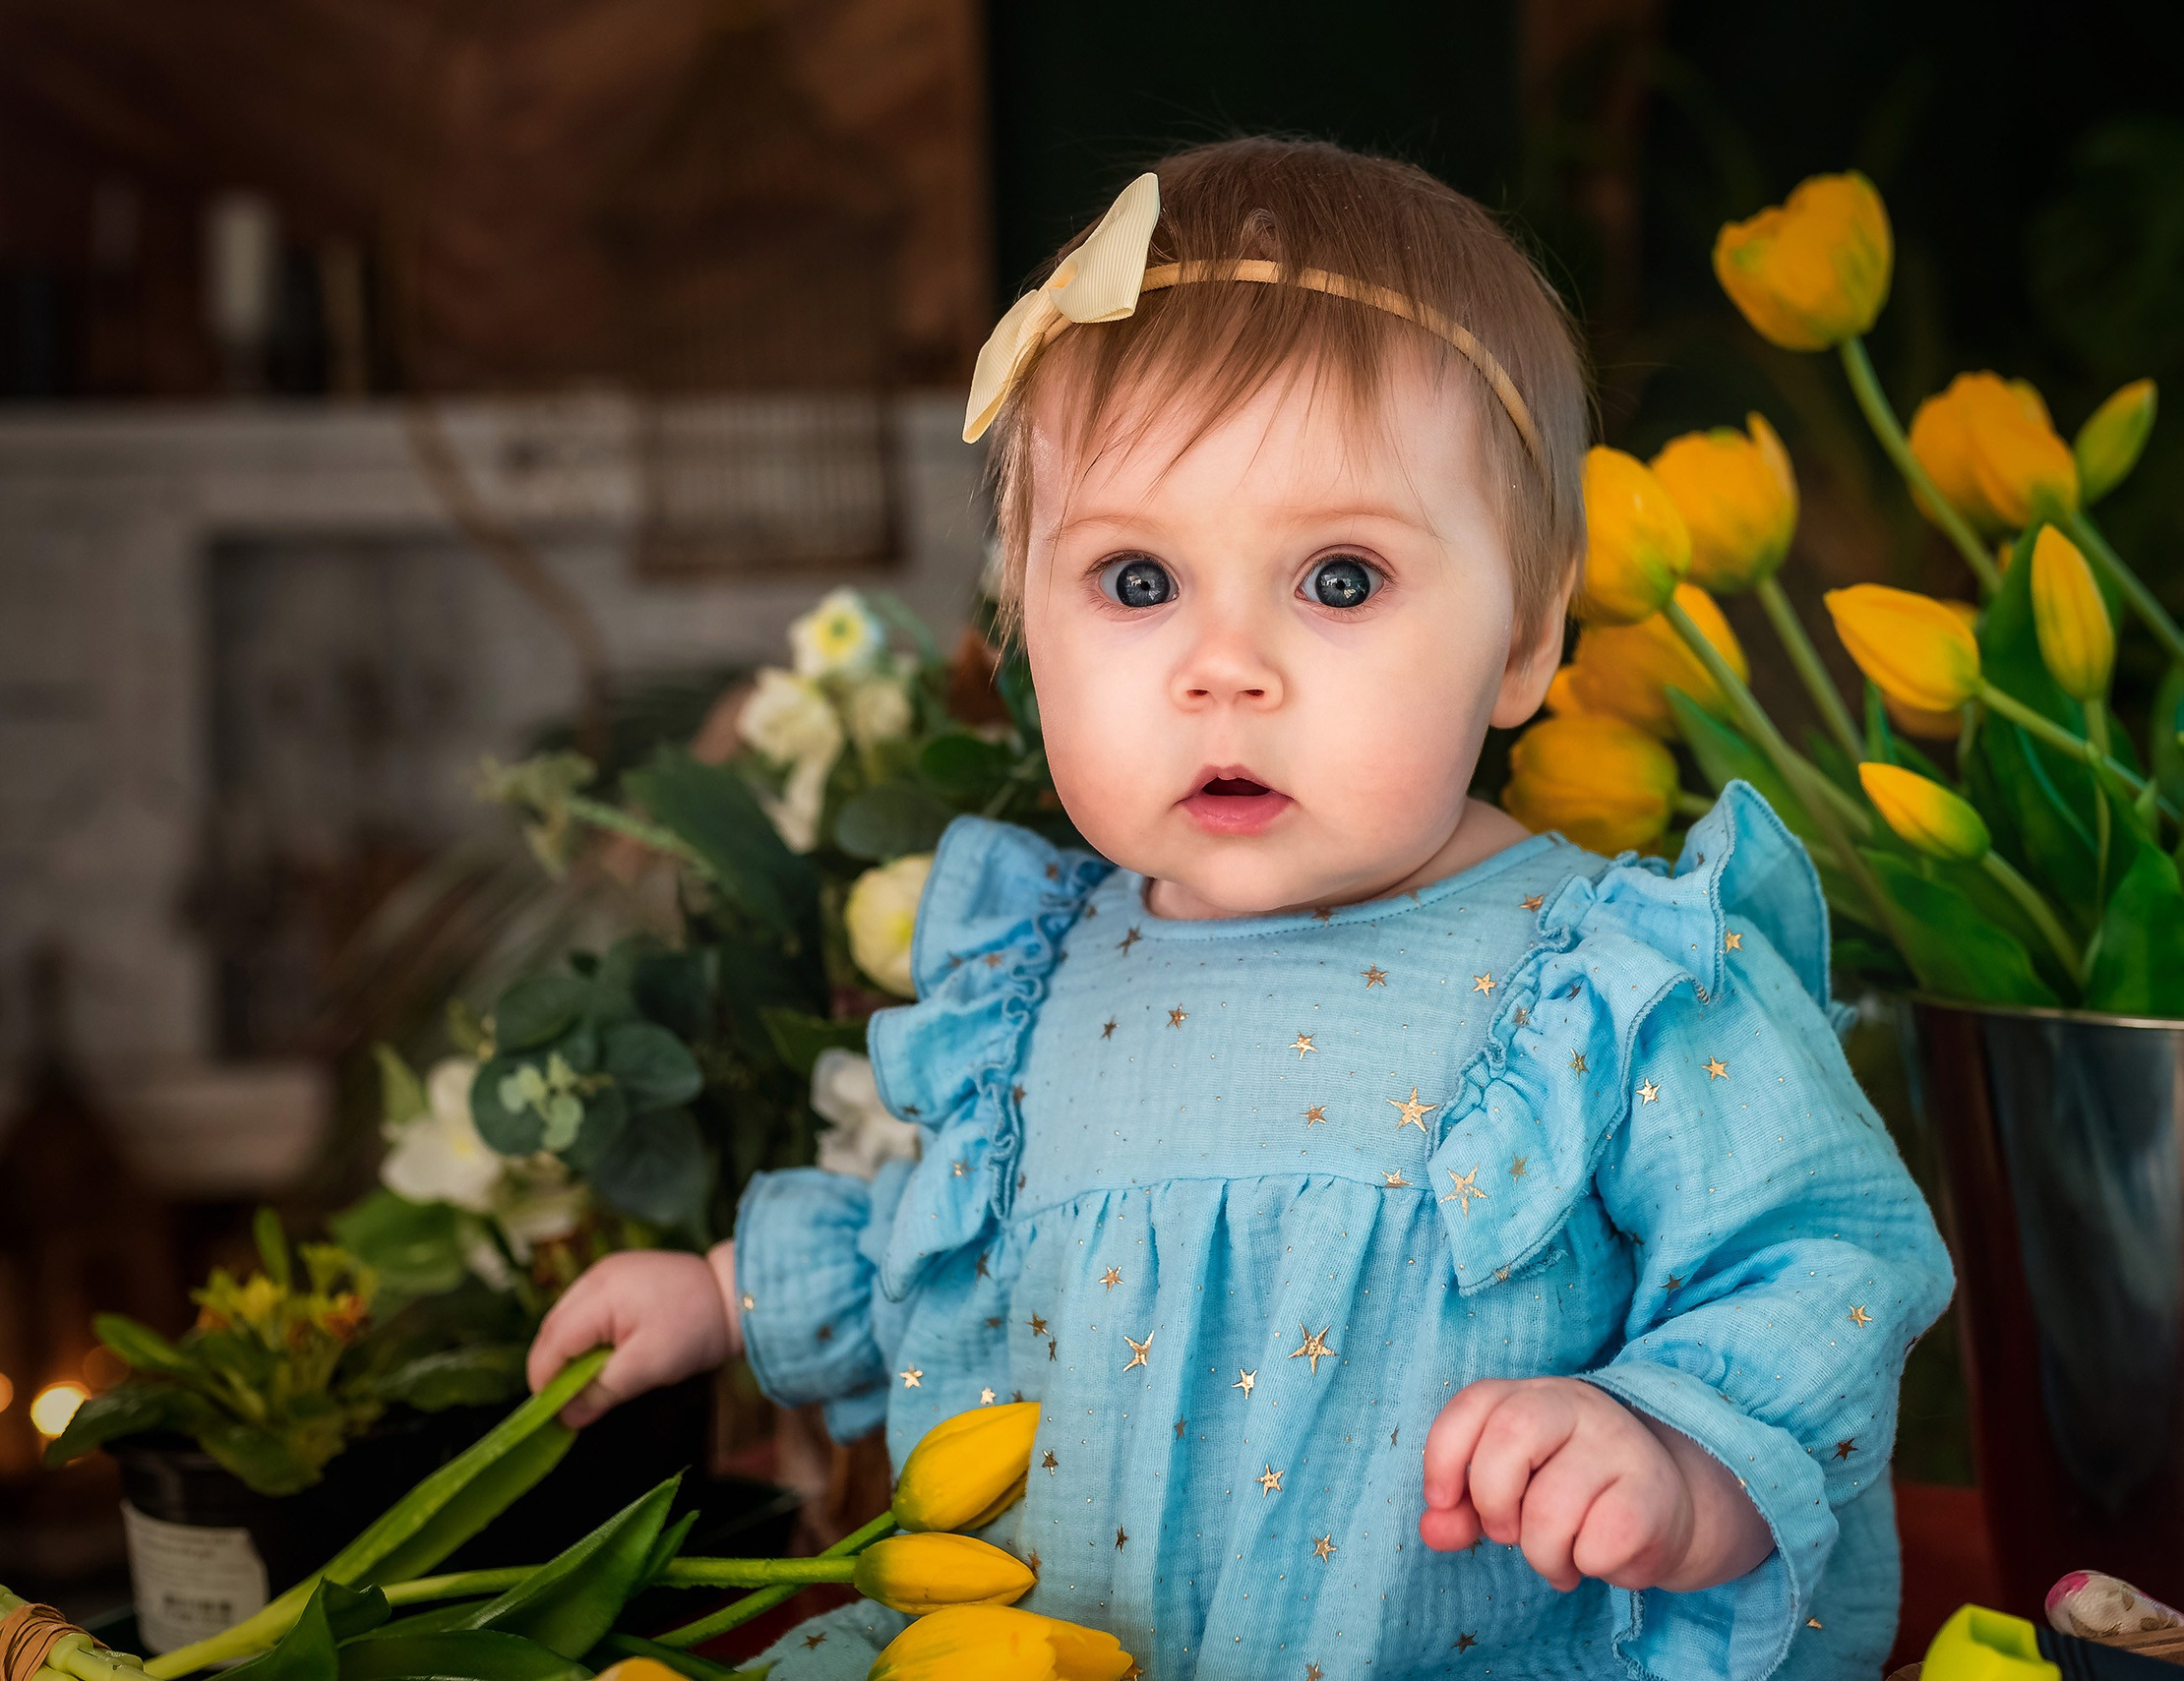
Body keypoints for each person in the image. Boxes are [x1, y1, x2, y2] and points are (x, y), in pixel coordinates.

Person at [525, 137, 1953, 1681]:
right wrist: (720, 1294)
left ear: (1525, 639)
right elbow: (939, 1245)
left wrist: (1671, 1453)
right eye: (1138, 582)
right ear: (1023, 631)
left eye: (1339, 580)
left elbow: (1820, 1255)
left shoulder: (1611, 977)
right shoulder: (1037, 973)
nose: (1225, 669)